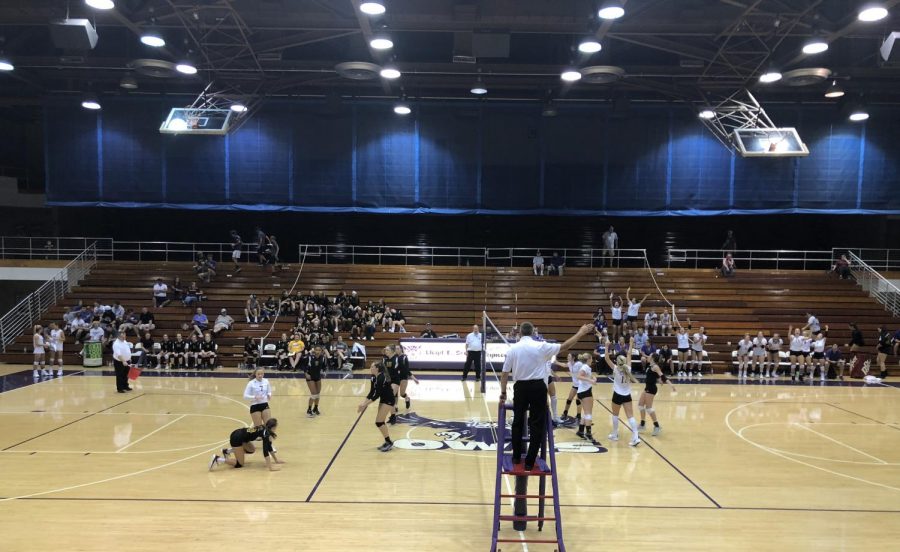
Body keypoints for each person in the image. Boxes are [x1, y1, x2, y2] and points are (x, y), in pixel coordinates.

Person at [499, 321, 594, 472]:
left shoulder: (513, 349)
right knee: (537, 425)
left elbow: (504, 374)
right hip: (538, 387)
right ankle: (530, 462)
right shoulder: (540, 346)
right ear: (532, 333)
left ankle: (516, 457)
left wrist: (503, 393)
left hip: (520, 388)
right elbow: (564, 347)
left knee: (517, 422)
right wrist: (580, 333)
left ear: (520, 333)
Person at [603, 337, 641, 447]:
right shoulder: (628, 369)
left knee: (615, 415)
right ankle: (636, 436)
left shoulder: (615, 368)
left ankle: (615, 434)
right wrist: (631, 343)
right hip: (627, 395)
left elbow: (606, 358)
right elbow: (629, 354)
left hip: (617, 395)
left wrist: (606, 346)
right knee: (630, 417)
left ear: (617, 361)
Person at [209, 418, 283, 471]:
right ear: (273, 427)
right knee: (240, 464)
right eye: (276, 427)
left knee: (251, 450)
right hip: (237, 438)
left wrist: (276, 460)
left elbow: (269, 446)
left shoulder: (264, 428)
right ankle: (217, 459)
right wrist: (270, 467)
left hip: (242, 435)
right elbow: (265, 451)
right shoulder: (265, 433)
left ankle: (227, 451)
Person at [359, 361, 397, 452]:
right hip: (383, 400)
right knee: (380, 422)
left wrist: (364, 405)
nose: (370, 368)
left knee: (379, 422)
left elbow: (376, 395)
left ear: (377, 368)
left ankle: (389, 442)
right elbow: (371, 392)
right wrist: (363, 403)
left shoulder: (382, 377)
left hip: (388, 400)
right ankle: (387, 441)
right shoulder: (373, 377)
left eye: (372, 367)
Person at [638, 356, 675, 436]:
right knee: (640, 405)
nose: (647, 357)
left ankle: (657, 426)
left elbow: (662, 376)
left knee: (649, 408)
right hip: (647, 388)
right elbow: (656, 376)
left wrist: (670, 384)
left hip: (651, 389)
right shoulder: (650, 366)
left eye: (649, 356)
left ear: (653, 358)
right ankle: (642, 424)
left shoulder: (655, 366)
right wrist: (659, 380)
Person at [572, 353, 600, 444]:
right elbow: (579, 376)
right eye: (591, 358)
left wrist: (592, 378)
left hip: (583, 391)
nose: (592, 360)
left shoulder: (586, 367)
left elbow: (586, 376)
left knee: (586, 412)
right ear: (589, 359)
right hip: (585, 392)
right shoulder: (585, 367)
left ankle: (580, 431)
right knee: (588, 413)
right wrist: (590, 380)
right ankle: (588, 434)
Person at [558, 353, 582, 422]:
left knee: (578, 401)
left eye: (569, 356)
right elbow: (564, 365)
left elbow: (585, 369)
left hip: (581, 386)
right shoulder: (569, 363)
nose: (567, 357)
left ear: (573, 357)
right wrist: (555, 362)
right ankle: (565, 413)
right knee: (569, 399)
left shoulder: (579, 364)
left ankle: (578, 416)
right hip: (575, 385)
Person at [394, 344, 418, 413]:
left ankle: (407, 398)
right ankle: (395, 406)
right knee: (395, 393)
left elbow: (407, 370)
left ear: (401, 349)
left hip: (403, 377)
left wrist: (414, 378)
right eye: (395, 349)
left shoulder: (404, 357)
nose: (396, 350)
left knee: (402, 394)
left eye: (398, 348)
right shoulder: (394, 357)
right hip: (396, 377)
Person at [305, 345, 327, 418]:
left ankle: (315, 408)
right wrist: (306, 374)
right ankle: (309, 409)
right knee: (313, 394)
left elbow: (324, 366)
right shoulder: (310, 357)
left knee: (318, 394)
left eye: (319, 350)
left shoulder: (322, 358)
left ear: (321, 351)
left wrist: (324, 371)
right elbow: (304, 367)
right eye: (316, 350)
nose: (317, 351)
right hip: (310, 377)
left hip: (318, 377)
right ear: (314, 350)